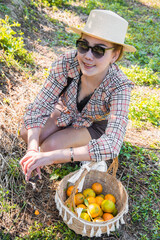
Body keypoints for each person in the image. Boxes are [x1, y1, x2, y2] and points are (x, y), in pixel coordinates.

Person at [19, 9, 136, 181]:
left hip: (94, 125)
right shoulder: (67, 62)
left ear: (115, 55)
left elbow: (112, 145)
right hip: (66, 110)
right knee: (27, 133)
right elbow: (39, 107)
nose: (88, 56)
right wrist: (31, 149)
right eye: (83, 46)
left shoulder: (120, 86)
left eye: (99, 50)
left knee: (51, 147)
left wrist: (51, 156)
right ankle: (65, 142)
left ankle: (83, 156)